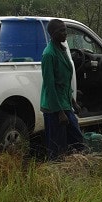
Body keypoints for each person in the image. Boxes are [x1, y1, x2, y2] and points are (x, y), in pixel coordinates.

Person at [40, 18, 85, 160]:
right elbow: (50, 86)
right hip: (54, 108)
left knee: (77, 139)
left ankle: (74, 166)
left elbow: (64, 82)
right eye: (62, 31)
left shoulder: (62, 49)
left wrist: (73, 102)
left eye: (65, 30)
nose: (65, 33)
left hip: (64, 103)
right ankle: (55, 172)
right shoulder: (49, 54)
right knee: (56, 146)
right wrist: (59, 112)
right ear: (53, 33)